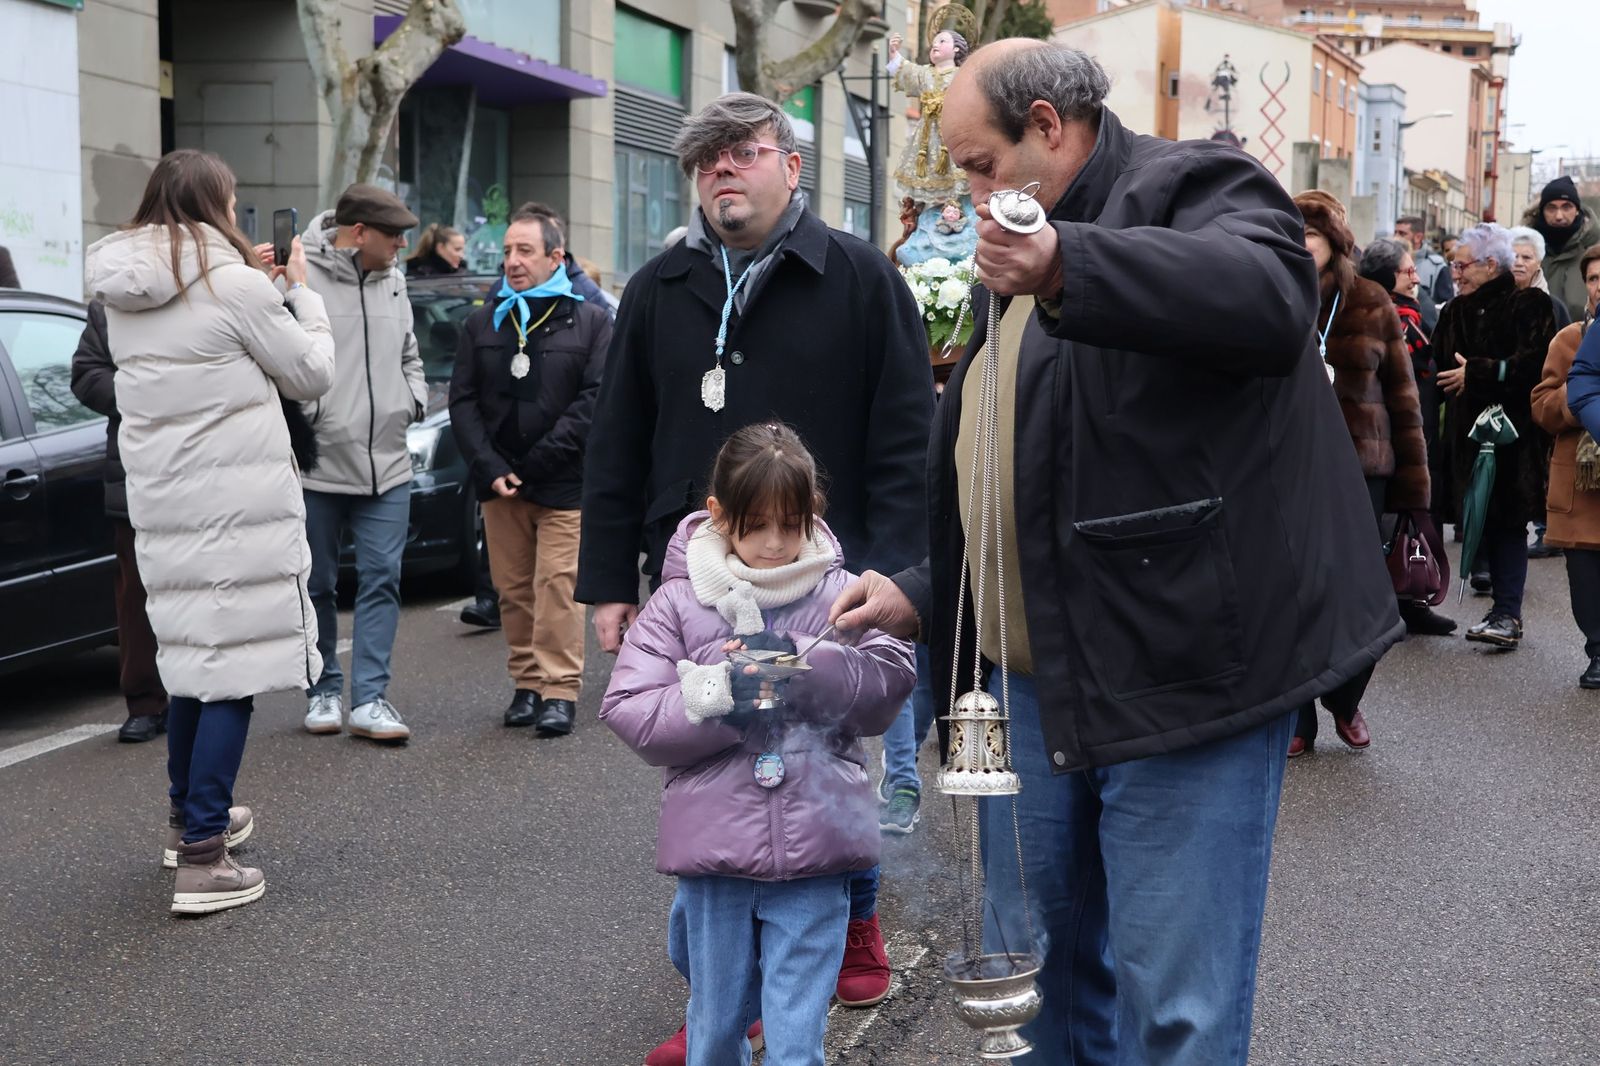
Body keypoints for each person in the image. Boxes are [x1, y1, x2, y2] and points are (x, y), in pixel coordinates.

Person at [829, 40, 1401, 1064]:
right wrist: (925, 588)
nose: (968, 191)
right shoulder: (1028, 235)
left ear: (1047, 125)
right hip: (1033, 684)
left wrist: (1066, 264)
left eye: (978, 163)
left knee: (1173, 1015)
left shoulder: (1185, 184)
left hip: (1180, 681)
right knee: (1036, 991)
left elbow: (1270, 296)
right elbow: (1029, 456)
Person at [577, 91, 932, 1058]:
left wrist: (908, 577)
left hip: (834, 583)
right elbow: (616, 444)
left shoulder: (861, 279)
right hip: (694, 582)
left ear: (792, 166)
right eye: (706, 160)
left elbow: (908, 443)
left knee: (825, 760)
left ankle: (845, 923)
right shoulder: (660, 287)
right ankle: (717, 1011)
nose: (723, 171)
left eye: (744, 152)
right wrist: (610, 581)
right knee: (714, 772)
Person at [600, 423, 916, 1066]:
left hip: (817, 851)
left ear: (813, 515)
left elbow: (890, 681)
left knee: (799, 1043)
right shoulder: (678, 602)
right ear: (718, 515)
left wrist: (798, 666)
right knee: (715, 1033)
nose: (775, 544)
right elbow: (628, 708)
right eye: (756, 525)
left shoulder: (842, 592)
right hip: (716, 859)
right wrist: (720, 693)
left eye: (791, 524)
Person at [84, 148, 335, 914]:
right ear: (215, 204)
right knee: (230, 674)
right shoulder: (234, 285)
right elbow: (311, 375)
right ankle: (204, 858)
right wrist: (304, 297)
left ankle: (188, 820)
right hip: (237, 506)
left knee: (193, 659)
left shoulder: (124, 296)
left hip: (164, 506)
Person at [449, 207, 611, 735]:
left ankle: (560, 690)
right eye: (507, 252)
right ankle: (526, 684)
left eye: (525, 251)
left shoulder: (590, 321)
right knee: (513, 589)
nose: (512, 262)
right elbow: (463, 401)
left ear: (555, 257)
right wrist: (490, 466)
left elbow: (594, 401)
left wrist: (537, 459)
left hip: (563, 482)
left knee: (556, 587)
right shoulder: (484, 320)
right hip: (500, 486)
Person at [1288, 192, 1430, 758]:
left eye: (1310, 236)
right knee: (1292, 594)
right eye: (1292, 234)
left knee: (1366, 595)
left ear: (1334, 243)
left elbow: (1403, 396)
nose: (1300, 245)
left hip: (1361, 470)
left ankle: (1345, 698)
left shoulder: (1371, 300)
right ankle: (1298, 716)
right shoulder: (1269, 293)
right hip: (1290, 465)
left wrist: (1416, 490)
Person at [298, 184, 426, 743]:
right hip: (321, 463)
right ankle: (323, 687)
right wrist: (310, 416)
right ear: (359, 234)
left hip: (388, 464)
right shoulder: (304, 276)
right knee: (318, 583)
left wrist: (411, 401)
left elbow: (409, 354)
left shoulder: (393, 278)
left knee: (382, 580)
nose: (403, 243)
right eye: (394, 235)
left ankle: (369, 699)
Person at [1434, 223, 1559, 650]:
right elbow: (1438, 372)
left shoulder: (1530, 304)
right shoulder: (1453, 311)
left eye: (1461, 264)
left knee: (1508, 524)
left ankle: (1507, 614)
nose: (1456, 272)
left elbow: (1534, 366)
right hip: (1465, 441)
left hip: (1514, 441)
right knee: (1478, 521)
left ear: (1490, 264)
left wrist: (1481, 372)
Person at [1359, 236, 1458, 637]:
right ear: (1387, 276)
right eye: (1407, 269)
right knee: (1386, 521)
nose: (1417, 276)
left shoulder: (1413, 313)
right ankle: (1384, 607)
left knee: (1413, 517)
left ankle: (1411, 598)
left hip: (1413, 430)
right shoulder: (1390, 317)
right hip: (1386, 435)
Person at [1532, 244, 1600, 687]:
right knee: (1587, 582)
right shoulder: (1570, 339)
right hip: (1581, 484)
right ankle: (1598, 650)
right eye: (1594, 278)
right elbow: (1541, 405)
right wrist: (1580, 403)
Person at [1524, 176, 1600, 325]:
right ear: (1541, 211)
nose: (1559, 216)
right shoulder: (1526, 254)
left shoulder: (1594, 254)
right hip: (1535, 344)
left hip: (1585, 342)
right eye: (1551, 208)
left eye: (1566, 207)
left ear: (1577, 211)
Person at [1508, 226, 1574, 329]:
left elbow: (1567, 344)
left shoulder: (1555, 307)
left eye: (1526, 257)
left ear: (1539, 263)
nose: (1519, 263)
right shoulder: (1493, 303)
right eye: (1513, 257)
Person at [1395, 215, 1454, 330]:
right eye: (1395, 232)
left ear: (1418, 237)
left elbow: (1445, 306)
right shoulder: (1388, 262)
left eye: (1402, 234)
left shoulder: (1437, 266)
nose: (1396, 237)